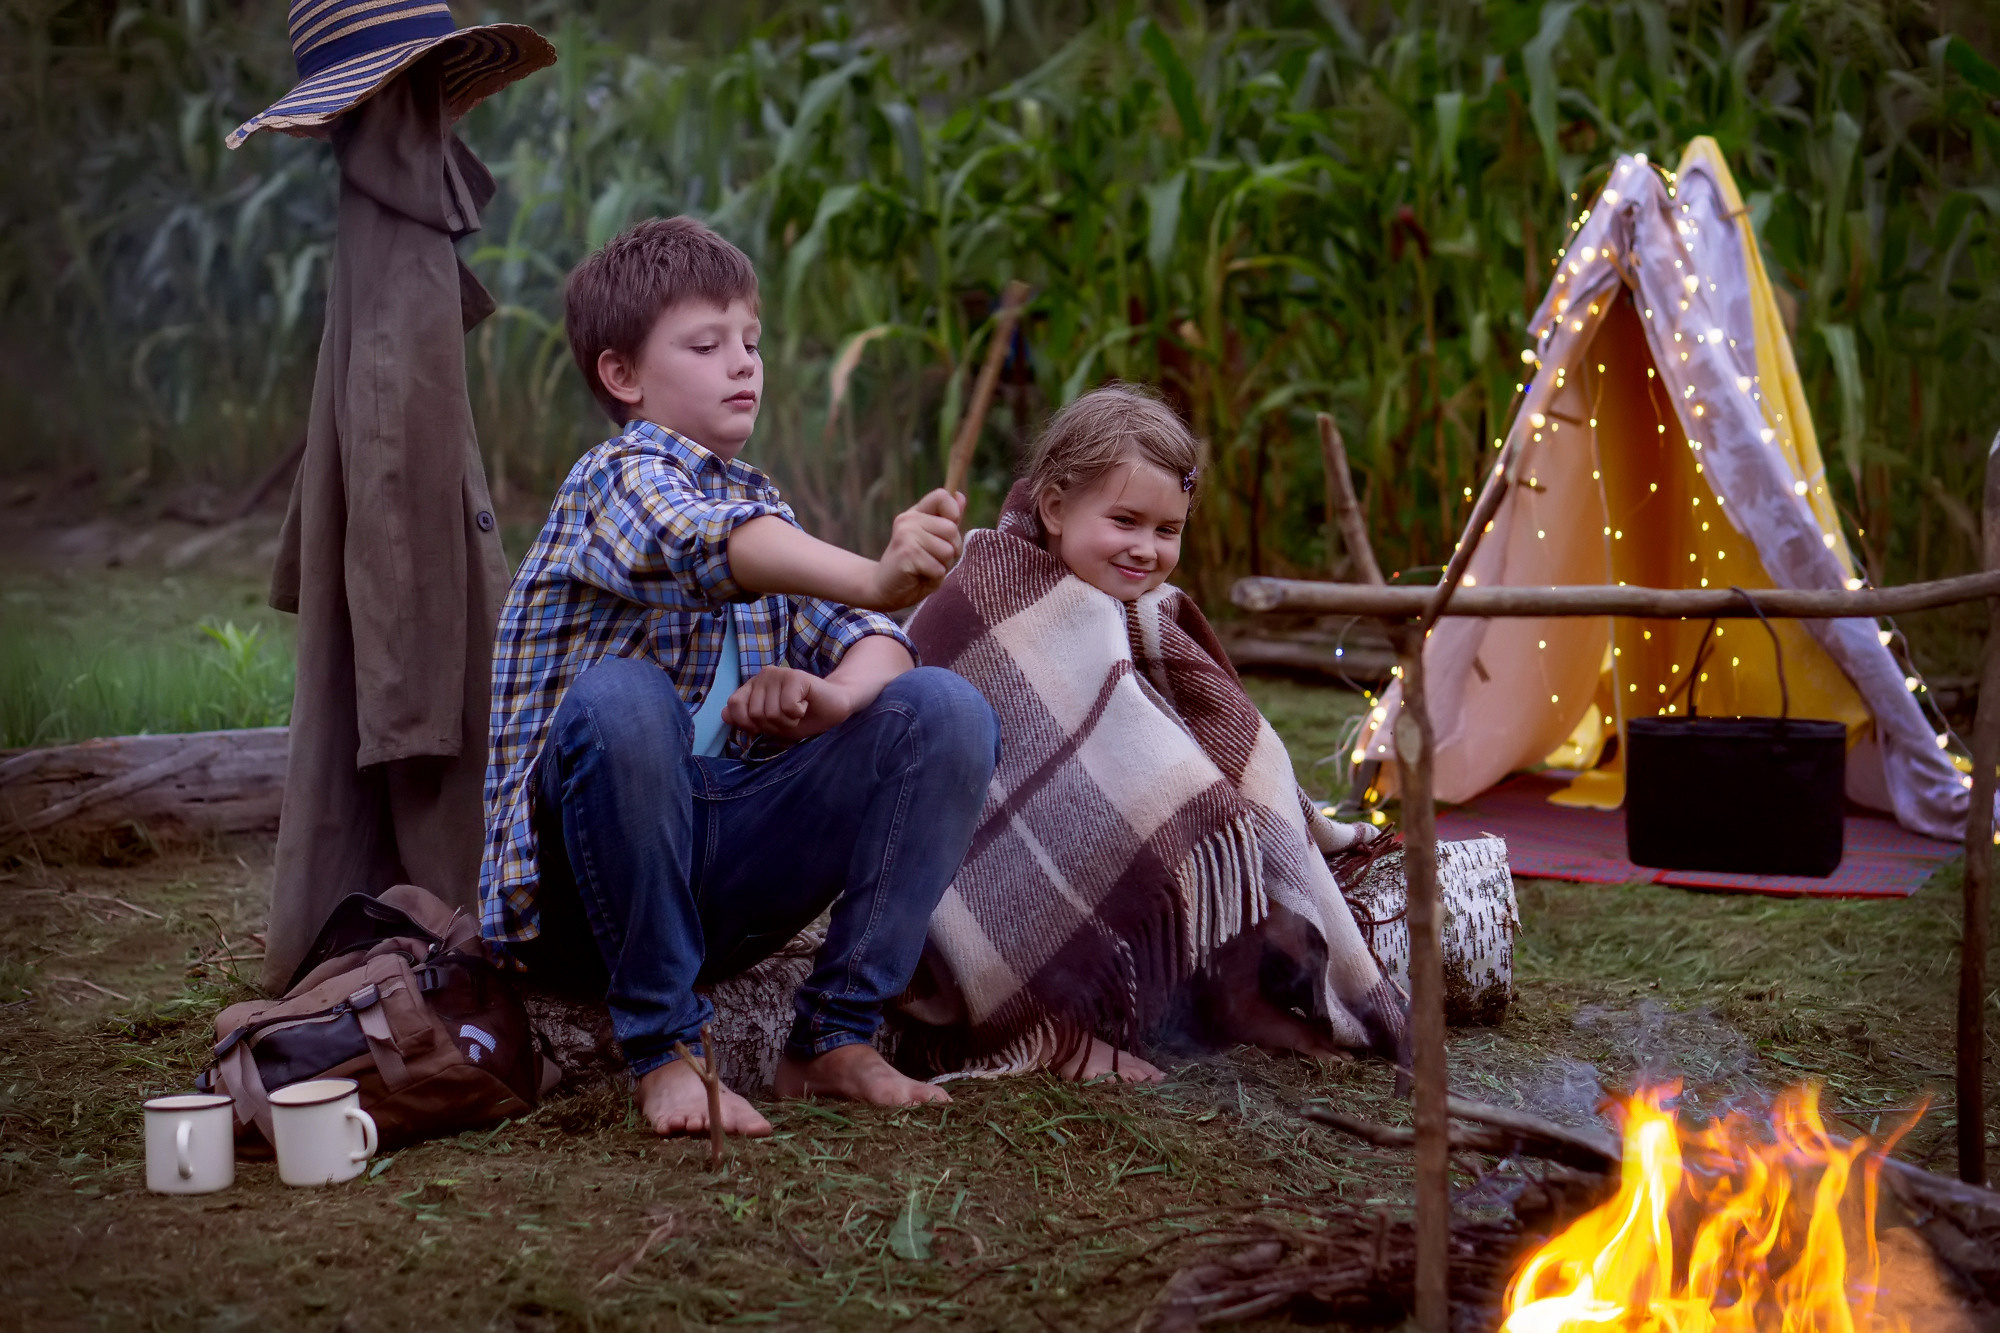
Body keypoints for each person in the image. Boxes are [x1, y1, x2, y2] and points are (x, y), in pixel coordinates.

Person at [481, 216, 1000, 1138]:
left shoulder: (761, 504)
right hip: (586, 890)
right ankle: (668, 1051)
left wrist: (832, 698)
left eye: (752, 342)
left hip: (719, 870)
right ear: (623, 376)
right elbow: (701, 545)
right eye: (707, 343)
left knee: (943, 709)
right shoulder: (613, 478)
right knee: (625, 699)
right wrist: (875, 571)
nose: (744, 364)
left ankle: (834, 1036)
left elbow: (877, 638)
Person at [901, 385, 1405, 1084]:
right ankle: (1061, 1027)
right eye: (1125, 521)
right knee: (1149, 796)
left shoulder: (1144, 612)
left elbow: (1206, 736)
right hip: (951, 878)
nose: (1145, 549)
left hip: (1083, 862)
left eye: (1167, 531)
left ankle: (1227, 995)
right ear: (1053, 507)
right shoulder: (989, 591)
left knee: (1196, 800)